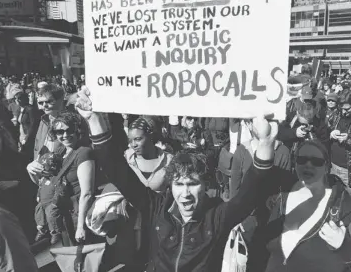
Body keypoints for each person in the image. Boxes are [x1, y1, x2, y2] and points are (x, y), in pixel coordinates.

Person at [75, 86, 279, 271]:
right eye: (179, 184)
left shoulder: (217, 217)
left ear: (206, 185)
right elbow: (115, 169)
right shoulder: (156, 208)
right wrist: (93, 118)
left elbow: (251, 192)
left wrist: (266, 143)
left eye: (193, 184)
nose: (185, 194)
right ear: (170, 185)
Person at [247, 141, 351, 272]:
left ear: (327, 168)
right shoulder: (281, 198)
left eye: (316, 161)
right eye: (302, 160)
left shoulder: (345, 205)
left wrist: (345, 245)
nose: (308, 165)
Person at [27, 112, 95, 245]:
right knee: (71, 258)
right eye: (59, 132)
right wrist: (30, 168)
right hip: (64, 214)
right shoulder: (60, 152)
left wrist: (81, 227)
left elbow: (87, 193)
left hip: (79, 213)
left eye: (69, 130)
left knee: (87, 257)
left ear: (78, 130)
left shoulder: (83, 152)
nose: (65, 135)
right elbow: (42, 182)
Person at [125, 117, 173, 192]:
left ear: (151, 136)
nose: (133, 145)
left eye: (138, 139)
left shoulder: (168, 160)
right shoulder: (126, 159)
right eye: (130, 141)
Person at [34, 152, 64, 244]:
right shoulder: (43, 179)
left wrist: (55, 202)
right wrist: (38, 196)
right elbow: (40, 188)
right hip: (43, 202)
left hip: (51, 203)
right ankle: (42, 228)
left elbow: (60, 190)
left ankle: (55, 232)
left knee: (51, 215)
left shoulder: (57, 179)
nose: (42, 172)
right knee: (38, 211)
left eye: (45, 170)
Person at [15, 91, 41, 161]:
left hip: (28, 136)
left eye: (19, 99)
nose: (17, 101)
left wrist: (26, 138)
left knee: (28, 156)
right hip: (21, 135)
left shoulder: (30, 109)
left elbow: (34, 125)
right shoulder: (19, 109)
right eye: (16, 99)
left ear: (24, 99)